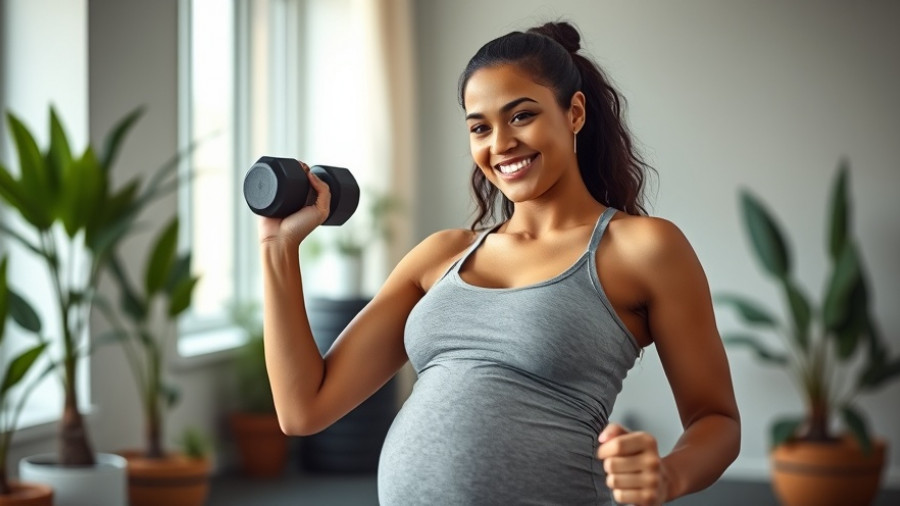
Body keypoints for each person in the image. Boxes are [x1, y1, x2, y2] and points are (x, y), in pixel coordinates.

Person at [258, 21, 740, 506]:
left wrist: (667, 476)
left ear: (574, 113)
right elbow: (303, 409)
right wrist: (278, 250)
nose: (501, 143)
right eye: (480, 127)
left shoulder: (642, 248)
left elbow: (716, 420)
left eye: (521, 116)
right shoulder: (441, 254)